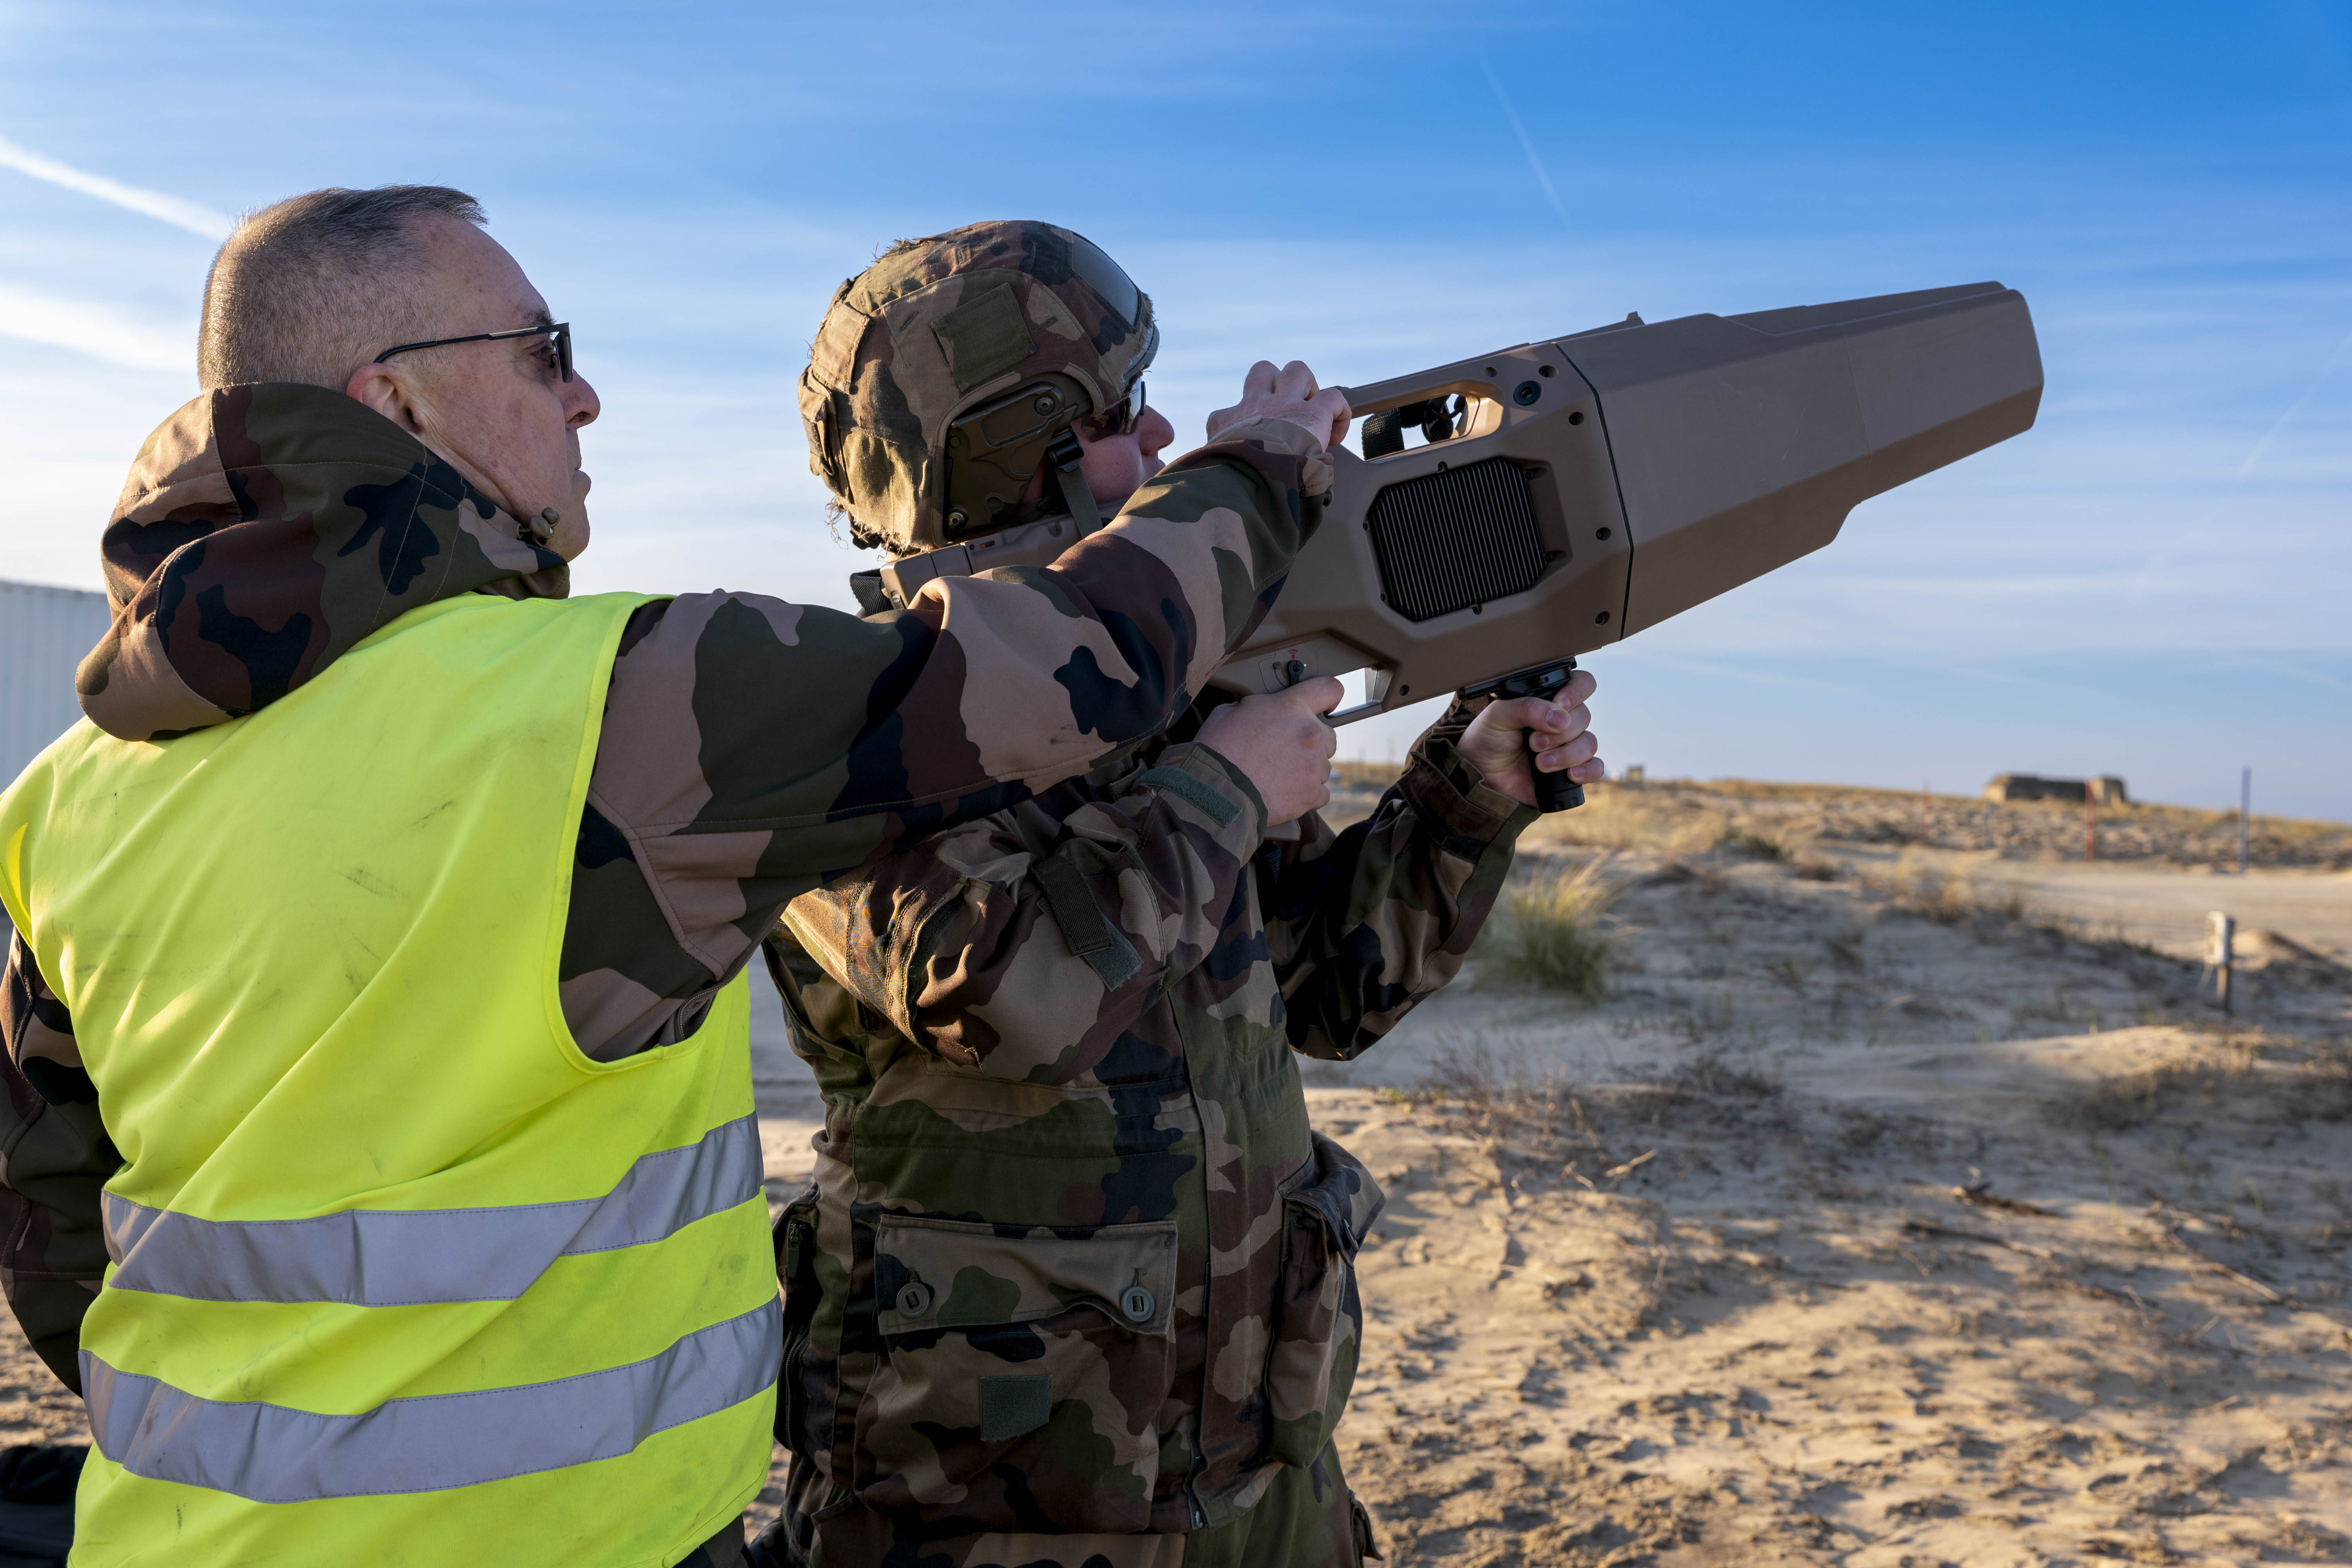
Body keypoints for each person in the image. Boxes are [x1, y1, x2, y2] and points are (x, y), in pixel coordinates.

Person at [0, 192, 1350, 1567]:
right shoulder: (613, 707)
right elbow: (1065, 659)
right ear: (393, 403)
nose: (583, 395)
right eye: (541, 351)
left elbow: (56, 1245)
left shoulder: (66, 800)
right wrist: (1260, 474)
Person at [752, 222, 1603, 1568]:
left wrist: (1465, 795)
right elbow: (1011, 992)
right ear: (1008, 448)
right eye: (1115, 414)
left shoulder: (1174, 701)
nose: (1157, 441)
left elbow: (1328, 988)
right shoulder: (837, 719)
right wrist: (1220, 787)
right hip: (989, 1519)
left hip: (1255, 1492)